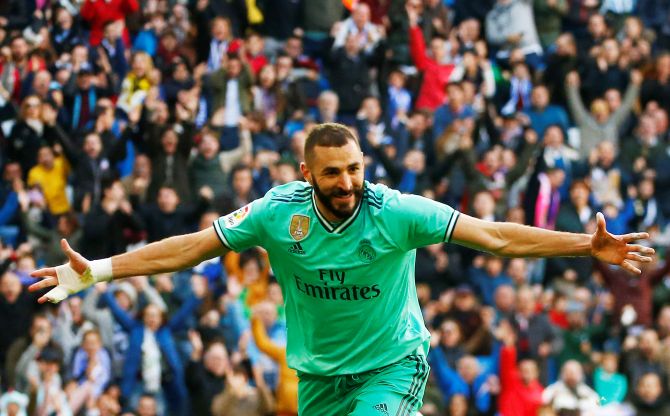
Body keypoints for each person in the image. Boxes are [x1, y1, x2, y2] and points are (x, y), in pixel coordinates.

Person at [29, 123, 655, 415]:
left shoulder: (396, 211)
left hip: (393, 363)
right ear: (307, 174)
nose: (348, 182)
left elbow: (492, 236)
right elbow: (192, 247)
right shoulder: (278, 214)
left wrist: (582, 245)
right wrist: (102, 271)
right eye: (333, 172)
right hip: (319, 378)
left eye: (355, 168)